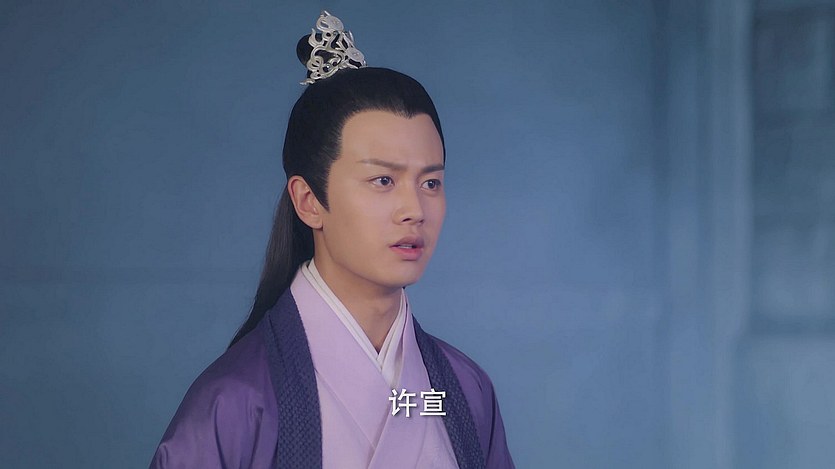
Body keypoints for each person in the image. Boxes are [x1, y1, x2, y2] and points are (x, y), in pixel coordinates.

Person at [149, 11, 514, 469]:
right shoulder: (237, 400)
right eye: (383, 180)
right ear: (308, 201)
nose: (415, 209)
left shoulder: (464, 391)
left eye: (430, 182)